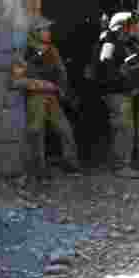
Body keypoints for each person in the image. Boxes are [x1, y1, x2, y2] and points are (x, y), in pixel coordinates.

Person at [10, 16, 82, 182]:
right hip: (36, 97)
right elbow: (15, 81)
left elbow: (60, 73)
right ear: (36, 32)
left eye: (48, 29)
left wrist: (64, 90)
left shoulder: (52, 50)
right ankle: (38, 170)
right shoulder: (25, 52)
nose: (48, 33)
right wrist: (41, 84)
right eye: (45, 30)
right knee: (36, 133)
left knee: (65, 129)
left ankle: (70, 163)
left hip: (52, 96)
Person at [93, 11, 139, 179]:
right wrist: (123, 71)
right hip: (116, 93)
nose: (135, 28)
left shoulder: (128, 42)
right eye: (131, 25)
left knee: (126, 128)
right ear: (121, 27)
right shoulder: (109, 42)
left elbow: (134, 59)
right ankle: (121, 166)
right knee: (124, 128)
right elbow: (105, 65)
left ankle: (123, 163)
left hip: (127, 91)